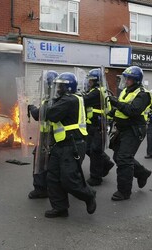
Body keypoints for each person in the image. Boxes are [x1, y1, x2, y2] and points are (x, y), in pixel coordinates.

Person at [42, 72, 97, 218]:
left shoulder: (69, 100)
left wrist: (38, 109)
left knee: (69, 179)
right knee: (53, 177)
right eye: (58, 85)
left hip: (72, 145)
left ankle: (89, 195)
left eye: (61, 86)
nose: (58, 88)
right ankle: (60, 208)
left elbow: (52, 114)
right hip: (60, 144)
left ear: (68, 87)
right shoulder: (65, 99)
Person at [107, 66, 152, 201]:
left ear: (136, 80)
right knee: (117, 156)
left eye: (129, 79)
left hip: (134, 129)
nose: (126, 81)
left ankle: (124, 191)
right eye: (125, 78)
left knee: (124, 158)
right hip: (122, 129)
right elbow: (121, 110)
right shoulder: (125, 91)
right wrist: (110, 114)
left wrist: (117, 104)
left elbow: (133, 110)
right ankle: (142, 173)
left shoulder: (143, 94)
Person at [27, 70, 58, 199]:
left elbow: (38, 114)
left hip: (48, 137)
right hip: (52, 137)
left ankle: (40, 189)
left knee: (40, 161)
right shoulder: (54, 98)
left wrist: (31, 107)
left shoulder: (51, 100)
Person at [83, 68, 115, 186]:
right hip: (93, 124)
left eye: (91, 80)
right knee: (88, 149)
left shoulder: (97, 92)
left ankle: (96, 177)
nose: (89, 82)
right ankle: (106, 163)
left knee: (95, 151)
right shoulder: (96, 90)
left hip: (98, 125)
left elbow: (84, 100)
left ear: (96, 81)